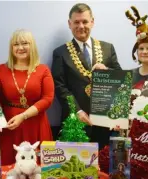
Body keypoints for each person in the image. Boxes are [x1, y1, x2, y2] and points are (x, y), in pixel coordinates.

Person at [51, 3, 122, 149]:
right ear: (69, 24)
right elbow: (59, 86)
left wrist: (107, 70)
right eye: (76, 22)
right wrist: (77, 110)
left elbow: (120, 82)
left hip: (105, 122)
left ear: (92, 22)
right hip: (75, 122)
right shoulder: (60, 53)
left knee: (103, 167)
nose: (81, 26)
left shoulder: (108, 48)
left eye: (85, 21)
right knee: (76, 168)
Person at [0, 29, 54, 165]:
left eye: (25, 43)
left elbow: (48, 99)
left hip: (36, 124)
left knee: (38, 168)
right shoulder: (1, 70)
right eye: (16, 44)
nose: (20, 48)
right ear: (11, 48)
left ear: (32, 46)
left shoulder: (42, 70)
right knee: (9, 168)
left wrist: (23, 116)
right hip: (9, 127)